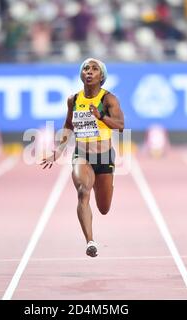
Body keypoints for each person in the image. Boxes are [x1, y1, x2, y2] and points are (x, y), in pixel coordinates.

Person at [41, 58, 124, 257]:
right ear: (81, 74)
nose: (89, 71)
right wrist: (59, 149)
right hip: (82, 155)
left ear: (101, 76)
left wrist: (101, 116)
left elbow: (120, 126)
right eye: (86, 68)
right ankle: (90, 241)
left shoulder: (108, 99)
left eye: (94, 69)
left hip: (104, 157)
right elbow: (68, 125)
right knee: (82, 191)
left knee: (104, 208)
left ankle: (100, 183)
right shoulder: (74, 100)